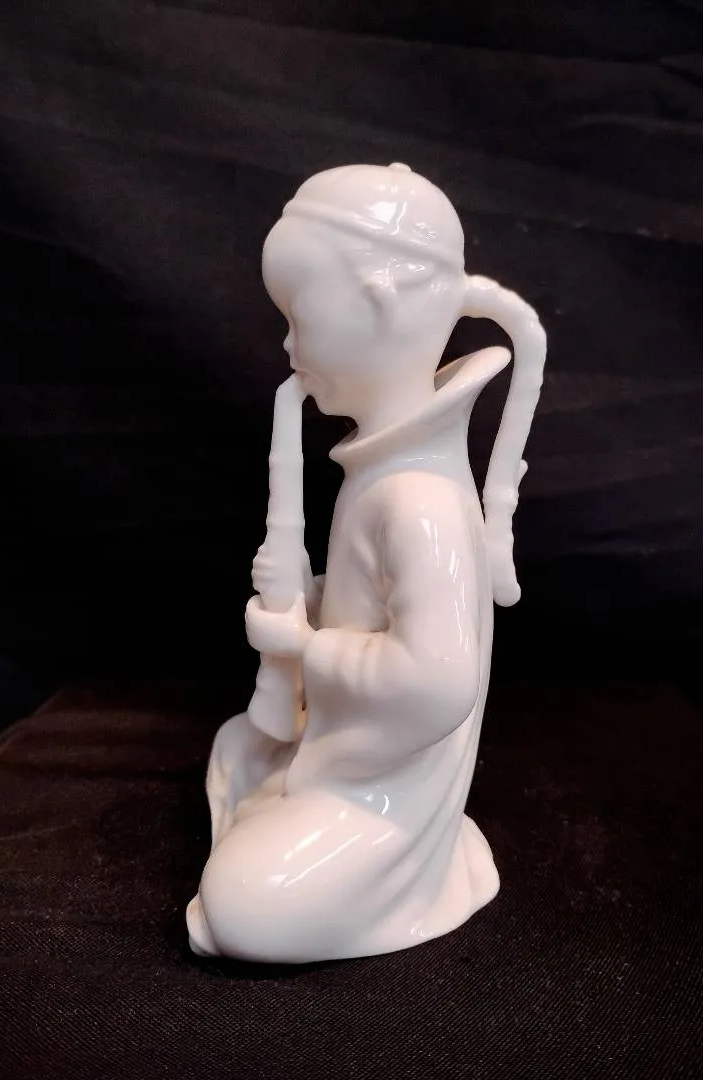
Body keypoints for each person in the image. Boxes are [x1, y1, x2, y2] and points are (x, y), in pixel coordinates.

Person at [186, 163, 546, 963]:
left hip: (386, 795)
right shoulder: (383, 476)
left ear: (380, 308)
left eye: (299, 318)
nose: (287, 346)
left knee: (244, 908)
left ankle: (409, 868)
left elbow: (435, 682)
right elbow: (372, 614)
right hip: (345, 759)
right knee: (237, 745)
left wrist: (303, 646)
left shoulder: (416, 501)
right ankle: (288, 817)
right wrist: (311, 597)